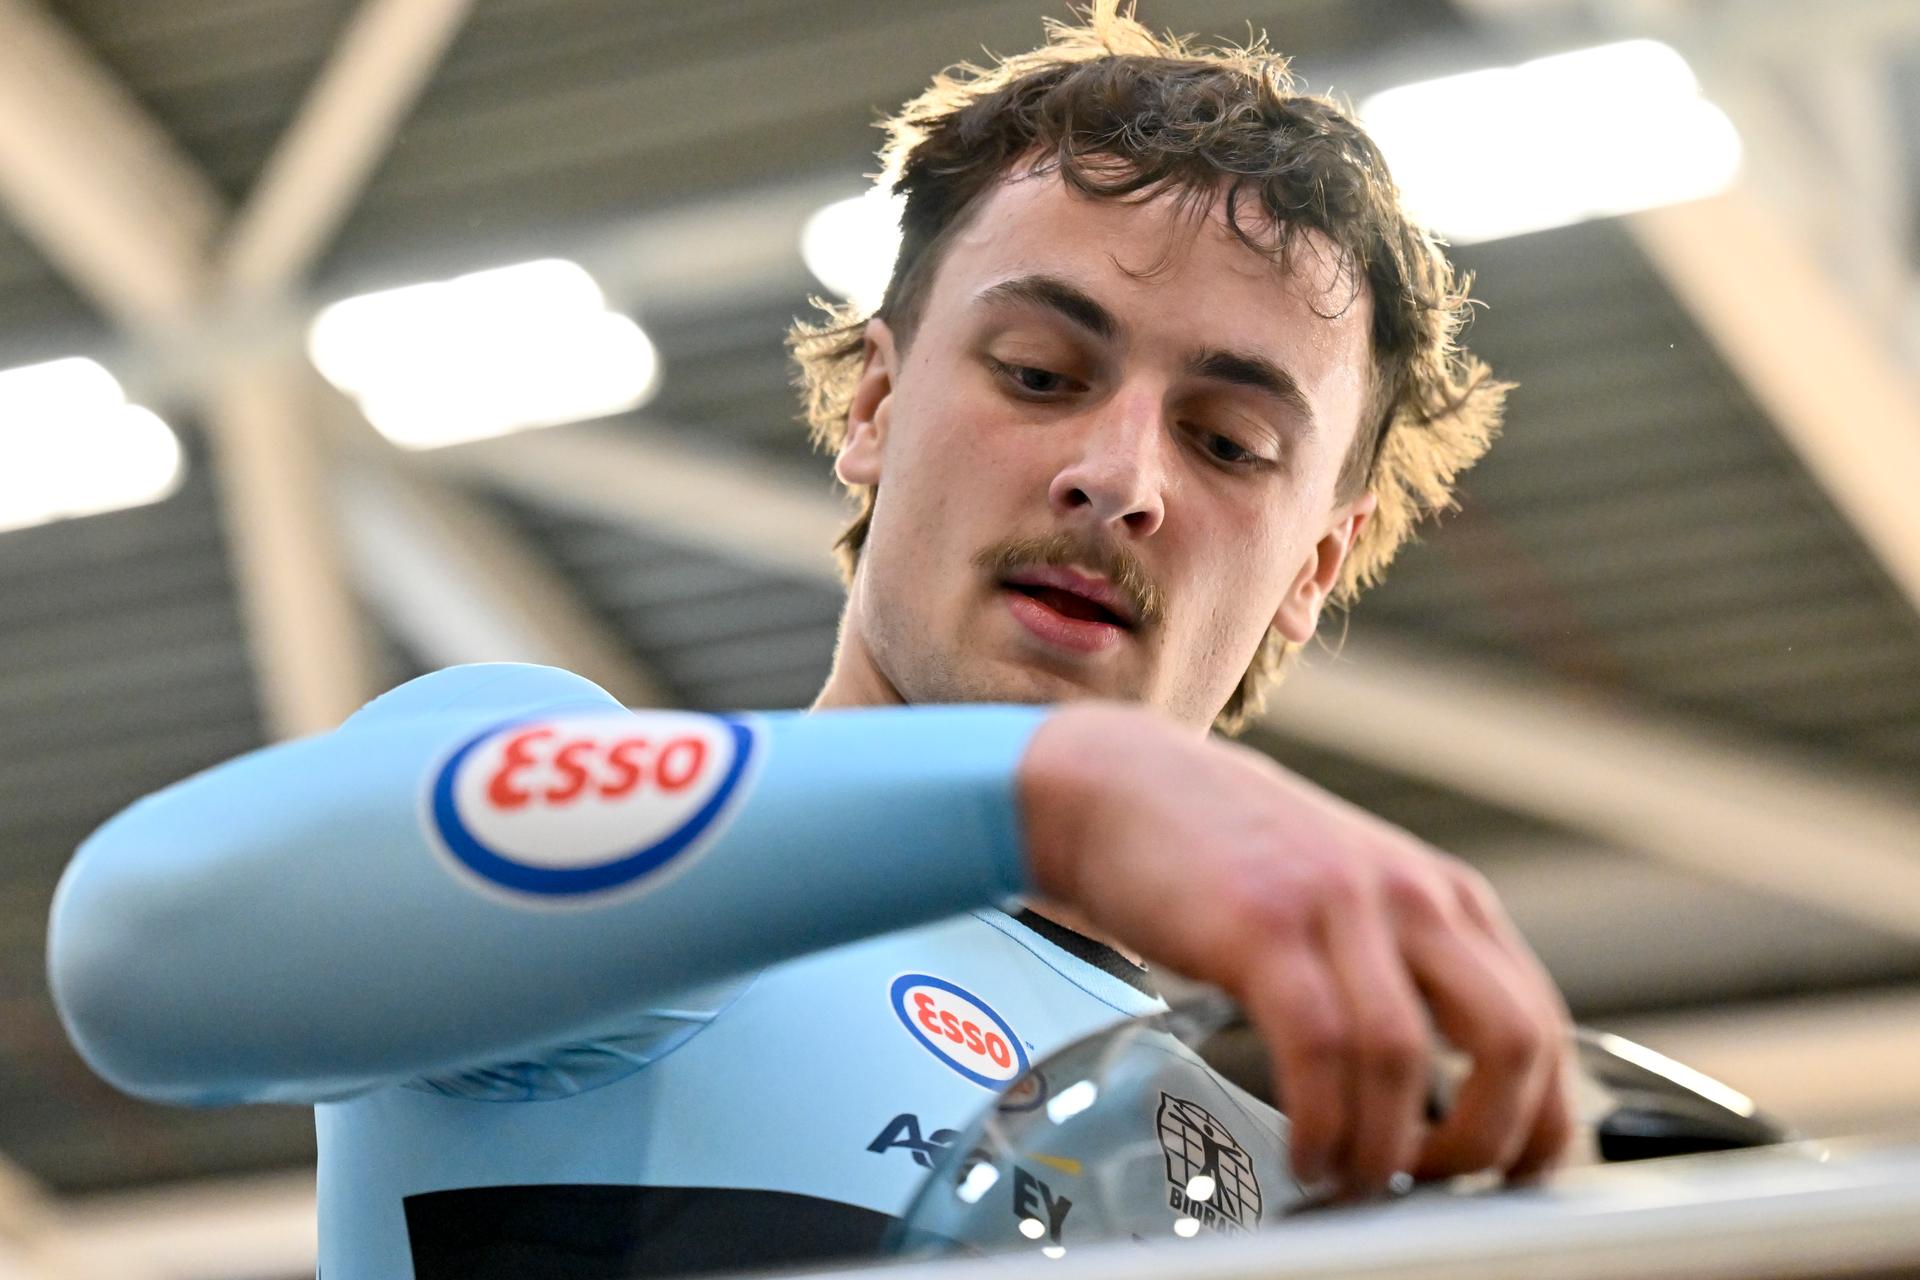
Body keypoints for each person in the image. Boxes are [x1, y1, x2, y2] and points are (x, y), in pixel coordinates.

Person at [47, 6, 1573, 1277]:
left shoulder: (1324, 1159)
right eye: (1041, 372)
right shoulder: (652, 910)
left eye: (1232, 441)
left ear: (1319, 564)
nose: (1122, 478)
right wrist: (1062, 789)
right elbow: (144, 946)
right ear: (874, 403)